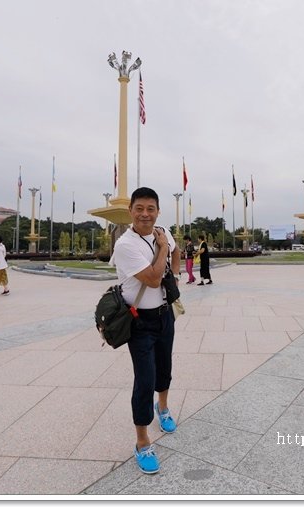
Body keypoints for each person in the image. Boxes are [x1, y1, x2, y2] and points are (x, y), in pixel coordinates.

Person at [110, 187, 181, 475]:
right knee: (145, 378)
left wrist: (174, 275)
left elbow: (176, 252)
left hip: (165, 315)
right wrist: (162, 247)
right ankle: (142, 442)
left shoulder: (163, 231)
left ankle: (161, 407)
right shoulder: (126, 245)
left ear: (158, 211)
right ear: (131, 210)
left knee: (164, 369)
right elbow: (152, 279)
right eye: (139, 208)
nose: (145, 214)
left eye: (150, 208)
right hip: (139, 322)